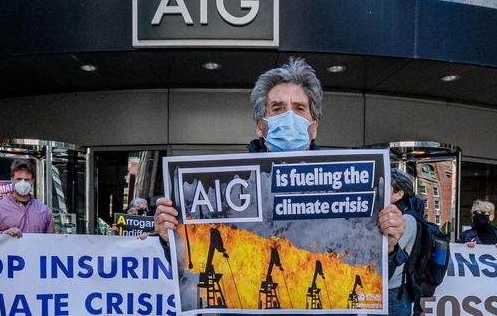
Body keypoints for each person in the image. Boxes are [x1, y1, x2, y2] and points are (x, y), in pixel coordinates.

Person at [151, 58, 406, 313]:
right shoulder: (230, 189)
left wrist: (388, 245)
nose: (289, 117)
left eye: (299, 108)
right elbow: (196, 269)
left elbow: (366, 272)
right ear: (261, 126)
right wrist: (171, 237)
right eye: (277, 108)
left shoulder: (347, 188)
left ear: (313, 127)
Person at [0, 158, 55, 236]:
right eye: (19, 179)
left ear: (32, 181)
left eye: (27, 179)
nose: (23, 183)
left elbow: (51, 242)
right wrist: (3, 234)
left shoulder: (45, 211)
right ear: (12, 180)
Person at [387, 169, 422, 315]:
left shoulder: (407, 219)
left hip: (395, 295)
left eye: (387, 188)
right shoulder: (391, 216)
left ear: (399, 194)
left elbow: (393, 256)